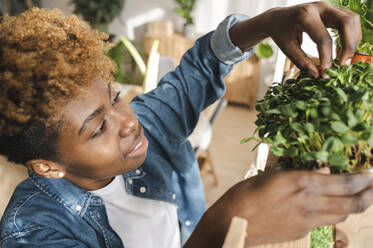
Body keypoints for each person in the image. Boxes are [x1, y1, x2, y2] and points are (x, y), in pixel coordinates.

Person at [0, 2, 372, 248]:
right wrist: (220, 225)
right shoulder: (32, 233)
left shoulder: (147, 125)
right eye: (98, 129)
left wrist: (267, 21)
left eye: (115, 99)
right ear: (48, 167)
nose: (129, 123)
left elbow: (201, 65)